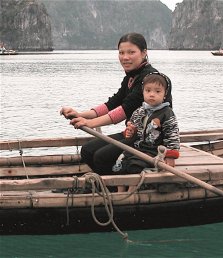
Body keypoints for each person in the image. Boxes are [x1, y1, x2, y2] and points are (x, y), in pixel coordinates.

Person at [60, 32, 172, 174]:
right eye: (121, 53)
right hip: (131, 133)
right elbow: (113, 103)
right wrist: (82, 115)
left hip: (149, 139)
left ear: (144, 53)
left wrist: (90, 123)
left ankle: (115, 188)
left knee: (101, 157)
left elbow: (124, 111)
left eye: (131, 52)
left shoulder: (149, 79)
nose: (125, 57)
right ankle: (109, 186)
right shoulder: (131, 77)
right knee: (87, 150)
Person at [115, 73, 180, 192]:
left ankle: (131, 191)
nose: (152, 94)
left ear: (165, 94)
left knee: (135, 166)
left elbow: (172, 136)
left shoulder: (167, 113)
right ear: (143, 92)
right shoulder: (140, 111)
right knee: (120, 162)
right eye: (148, 90)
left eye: (157, 91)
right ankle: (120, 191)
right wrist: (129, 132)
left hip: (153, 151)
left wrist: (170, 156)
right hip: (137, 147)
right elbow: (132, 127)